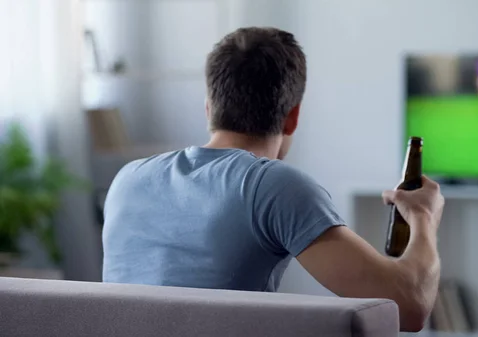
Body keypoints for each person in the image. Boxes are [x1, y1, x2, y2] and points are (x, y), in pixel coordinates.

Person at [102, 27, 444, 332]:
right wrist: (424, 216)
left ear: (209, 108)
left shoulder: (127, 180)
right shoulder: (272, 186)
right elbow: (408, 307)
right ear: (292, 117)